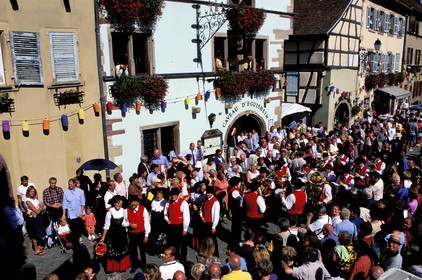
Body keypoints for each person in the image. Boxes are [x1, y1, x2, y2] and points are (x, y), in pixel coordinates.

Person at [99, 195, 131, 273]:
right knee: (113, 252)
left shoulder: (124, 210)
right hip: (112, 235)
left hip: (122, 234)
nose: (119, 205)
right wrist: (103, 237)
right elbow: (106, 226)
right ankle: (114, 268)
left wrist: (128, 226)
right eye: (117, 203)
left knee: (122, 251)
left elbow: (125, 222)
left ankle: (122, 267)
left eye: (120, 204)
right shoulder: (110, 212)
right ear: (114, 203)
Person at [164, 188, 190, 262]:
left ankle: (183, 259)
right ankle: (176, 256)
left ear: (178, 195)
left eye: (175, 195)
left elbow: (186, 216)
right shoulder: (168, 203)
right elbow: (165, 213)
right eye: (172, 195)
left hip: (180, 226)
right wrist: (167, 220)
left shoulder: (183, 203)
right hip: (171, 226)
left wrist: (185, 228)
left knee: (182, 243)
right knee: (173, 242)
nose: (173, 196)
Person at [126, 195, 151, 273]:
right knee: (133, 251)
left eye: (135, 202)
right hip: (131, 234)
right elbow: (124, 222)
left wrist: (146, 235)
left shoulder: (143, 209)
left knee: (142, 250)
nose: (133, 203)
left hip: (141, 233)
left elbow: (147, 222)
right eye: (132, 202)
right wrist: (129, 224)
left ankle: (144, 266)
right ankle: (134, 265)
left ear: (138, 202)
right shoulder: (126, 210)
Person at [25, 185, 46, 255]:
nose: (32, 193)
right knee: (34, 233)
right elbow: (36, 211)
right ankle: (36, 249)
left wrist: (39, 208)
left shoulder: (34, 199)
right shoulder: (27, 200)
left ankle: (39, 246)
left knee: (39, 232)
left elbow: (37, 210)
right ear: (28, 192)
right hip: (33, 219)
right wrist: (40, 207)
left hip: (38, 217)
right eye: (31, 191)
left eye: (33, 191)